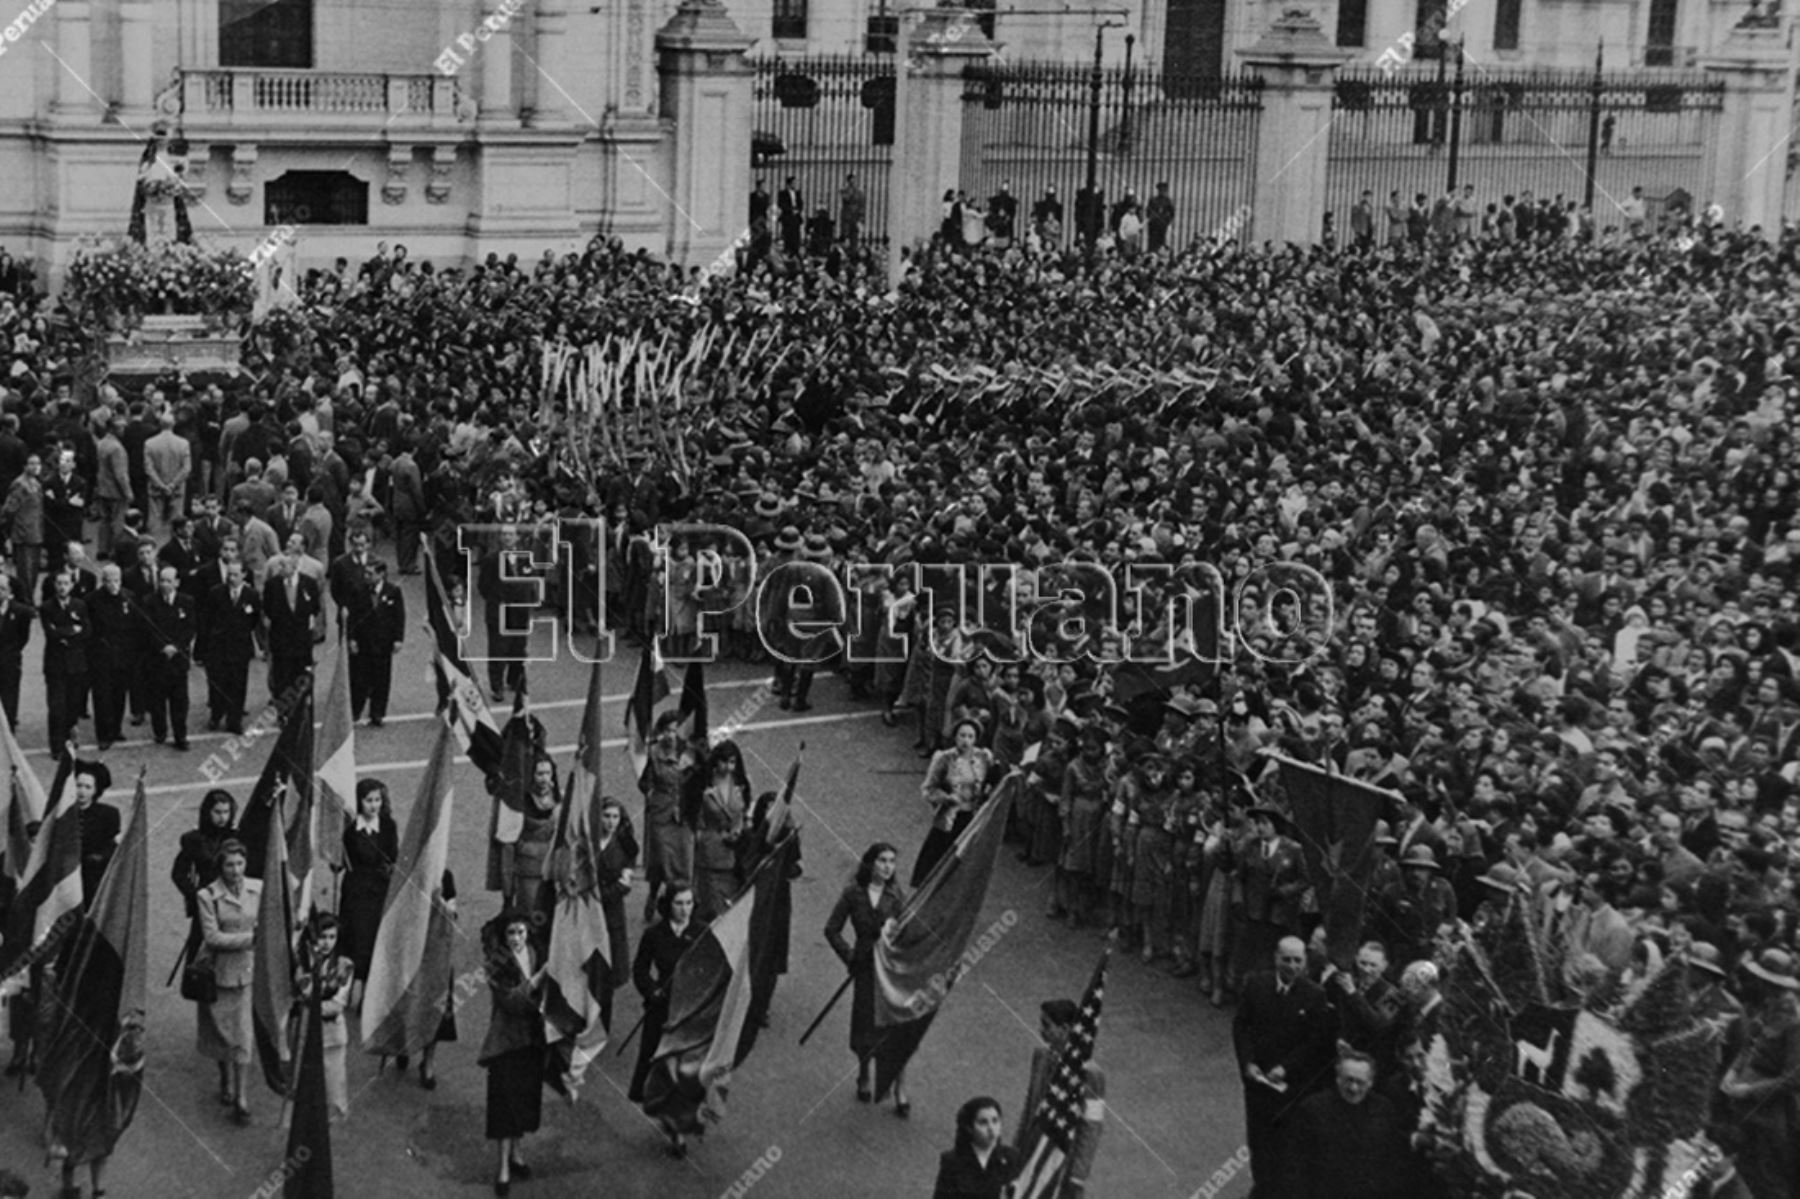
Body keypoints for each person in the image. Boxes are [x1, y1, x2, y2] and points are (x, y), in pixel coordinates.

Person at [1232, 936, 1335, 1199]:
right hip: (1257, 1082)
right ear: (1275, 958)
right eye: (1286, 959)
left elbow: (1316, 1043)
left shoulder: (1314, 995)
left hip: (1292, 1087)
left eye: (1297, 960)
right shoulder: (1256, 985)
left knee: (1286, 1143)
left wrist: (1286, 1068)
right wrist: (1248, 1062)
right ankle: (1261, 1186)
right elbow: (1241, 1026)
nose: (1291, 965)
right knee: (1258, 1139)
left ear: (1304, 962)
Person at [825, 842, 910, 1114]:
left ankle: (899, 1087)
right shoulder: (854, 894)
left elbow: (909, 933)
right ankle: (864, 1074)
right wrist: (849, 956)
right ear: (870, 863)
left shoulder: (897, 897)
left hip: (891, 971)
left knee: (895, 1026)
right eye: (882, 860)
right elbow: (832, 929)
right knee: (864, 1024)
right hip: (864, 968)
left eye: (891, 862)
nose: (887, 867)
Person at [1719, 948, 1800, 1199]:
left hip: (1769, 1112)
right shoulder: (1766, 1005)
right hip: (1742, 1101)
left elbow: (1793, 1078)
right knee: (1733, 1166)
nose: (1760, 984)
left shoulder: (1793, 1021)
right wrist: (1733, 1071)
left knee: (1765, 1179)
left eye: (1766, 980)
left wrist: (1750, 1091)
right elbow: (1749, 1045)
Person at [1277, 1049, 1410, 1199]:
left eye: (1360, 1082)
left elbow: (1392, 1161)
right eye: (1349, 1080)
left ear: (1371, 1083)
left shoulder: (1384, 1109)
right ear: (1338, 1078)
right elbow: (1295, 1166)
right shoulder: (1312, 1109)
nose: (1353, 1088)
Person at [479, 910, 547, 1197]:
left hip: (531, 1040)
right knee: (504, 1105)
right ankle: (502, 1167)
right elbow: (512, 1002)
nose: (517, 938)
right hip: (506, 1043)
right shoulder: (497, 965)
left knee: (524, 1098)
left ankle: (517, 1154)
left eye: (521, 932)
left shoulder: (534, 952)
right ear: (503, 936)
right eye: (511, 933)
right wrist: (542, 977)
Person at [196, 838, 260, 1125]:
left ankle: (242, 1096)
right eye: (229, 864)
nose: (235, 870)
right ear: (220, 866)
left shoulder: (257, 889)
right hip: (218, 973)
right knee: (222, 1034)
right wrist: (251, 939)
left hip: (247, 972)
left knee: (243, 1036)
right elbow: (213, 938)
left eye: (240, 863)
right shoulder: (207, 896)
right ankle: (225, 1080)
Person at [628, 883, 702, 1127]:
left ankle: (679, 1122)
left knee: (686, 1065)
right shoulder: (655, 934)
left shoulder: (702, 934)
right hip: (661, 1007)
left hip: (690, 1008)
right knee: (658, 1062)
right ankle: (664, 1110)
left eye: (689, 903)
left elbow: (712, 970)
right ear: (668, 905)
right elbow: (640, 969)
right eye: (679, 903)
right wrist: (651, 990)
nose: (684, 910)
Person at [1013, 998, 1104, 1196]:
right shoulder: (1040, 1056)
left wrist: (1077, 1176)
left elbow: (1091, 1128)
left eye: (1047, 1025)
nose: (1041, 1030)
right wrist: (1017, 1145)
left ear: (1065, 1029)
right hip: (1032, 1147)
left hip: (1061, 1156)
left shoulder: (1091, 1074)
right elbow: (1030, 1104)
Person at [914, 718, 995, 886]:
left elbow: (990, 781)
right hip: (948, 818)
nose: (966, 741)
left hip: (971, 817)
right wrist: (947, 798)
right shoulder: (944, 758)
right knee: (936, 856)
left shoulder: (983, 757)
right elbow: (928, 789)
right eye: (962, 735)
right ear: (955, 737)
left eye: (970, 736)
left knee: (964, 858)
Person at [341, 778, 398, 1014]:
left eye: (377, 800)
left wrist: (388, 869)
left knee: (376, 939)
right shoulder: (349, 828)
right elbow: (342, 860)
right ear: (359, 801)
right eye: (368, 800)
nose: (373, 805)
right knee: (357, 940)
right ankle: (350, 990)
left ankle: (371, 995)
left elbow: (392, 855)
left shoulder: (387, 826)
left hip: (379, 890)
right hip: (356, 890)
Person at [291, 913, 355, 1121]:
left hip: (331, 1033)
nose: (327, 943)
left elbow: (338, 1004)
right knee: (303, 1083)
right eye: (322, 936)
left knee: (332, 1085)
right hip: (306, 1031)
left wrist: (309, 1004)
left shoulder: (344, 965)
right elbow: (299, 989)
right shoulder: (304, 962)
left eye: (332, 937)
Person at [638, 710, 699, 921]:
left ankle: (680, 904)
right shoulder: (654, 753)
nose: (672, 735)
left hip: (683, 814)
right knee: (661, 862)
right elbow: (644, 783)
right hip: (661, 814)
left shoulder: (691, 753)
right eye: (667, 730)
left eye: (676, 730)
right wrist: (651, 791)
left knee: (684, 861)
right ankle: (655, 895)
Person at [197, 559, 261, 734]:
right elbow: (206, 620)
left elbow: (254, 620)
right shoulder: (216, 593)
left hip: (240, 647)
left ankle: (235, 719)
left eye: (235, 574)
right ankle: (216, 715)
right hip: (218, 647)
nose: (231, 578)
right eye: (229, 574)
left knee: (238, 685)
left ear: (243, 575)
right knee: (218, 683)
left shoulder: (251, 595)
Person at [692, 739, 750, 923]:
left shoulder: (740, 784)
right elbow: (696, 823)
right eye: (724, 761)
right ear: (716, 761)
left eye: (732, 762)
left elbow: (744, 813)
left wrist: (739, 831)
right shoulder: (704, 786)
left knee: (732, 907)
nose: (728, 767)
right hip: (711, 855)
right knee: (714, 909)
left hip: (736, 855)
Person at [140, 565, 195, 750]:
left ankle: (181, 735)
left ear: (177, 583)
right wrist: (162, 646)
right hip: (157, 658)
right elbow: (147, 628)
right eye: (161, 580)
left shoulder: (187, 601)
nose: (164, 584)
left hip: (178, 660)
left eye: (168, 581)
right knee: (157, 700)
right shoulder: (149, 601)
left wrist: (176, 647)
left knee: (180, 701)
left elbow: (190, 628)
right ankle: (160, 731)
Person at [349, 558, 404, 726]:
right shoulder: (358, 590)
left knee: (382, 679)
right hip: (364, 641)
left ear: (381, 574)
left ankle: (377, 712)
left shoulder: (393, 591)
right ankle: (355, 711)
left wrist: (398, 639)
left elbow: (399, 616)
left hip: (383, 642)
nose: (366, 576)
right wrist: (351, 638)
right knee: (359, 679)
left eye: (370, 573)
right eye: (365, 573)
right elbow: (352, 617)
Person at [260, 555, 322, 701]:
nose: (280, 569)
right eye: (279, 566)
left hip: (301, 640)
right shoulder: (272, 585)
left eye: (283, 566)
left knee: (301, 675)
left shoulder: (309, 583)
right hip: (280, 640)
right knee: (281, 675)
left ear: (294, 568)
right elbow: (268, 608)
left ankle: (301, 705)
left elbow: (315, 607)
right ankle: (282, 704)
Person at [39, 569, 89, 751]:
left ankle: (70, 737)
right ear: (54, 585)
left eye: (66, 583)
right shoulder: (46, 607)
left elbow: (86, 631)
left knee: (73, 705)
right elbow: (50, 633)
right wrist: (70, 631)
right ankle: (56, 745)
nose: (62, 587)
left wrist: (64, 632)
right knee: (56, 707)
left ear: (72, 585)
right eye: (59, 583)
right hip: (55, 664)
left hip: (76, 663)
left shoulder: (80, 605)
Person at [932, 1096, 1019, 1199]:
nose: (991, 1128)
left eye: (995, 1121)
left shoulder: (1012, 1158)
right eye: (983, 1123)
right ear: (969, 1128)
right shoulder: (953, 1163)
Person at [72, 759, 118, 905]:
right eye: (78, 786)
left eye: (87, 787)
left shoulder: (108, 814)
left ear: (95, 790)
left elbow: (112, 845)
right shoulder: (63, 813)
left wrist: (99, 858)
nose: (82, 791)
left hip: (93, 877)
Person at [1145, 181, 1175, 253]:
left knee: (1162, 241)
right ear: (1158, 190)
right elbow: (1148, 211)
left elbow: (1172, 213)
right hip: (1153, 225)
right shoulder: (1153, 200)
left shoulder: (1168, 201)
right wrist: (1152, 218)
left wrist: (1167, 220)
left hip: (1163, 225)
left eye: (1164, 190)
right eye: (1161, 190)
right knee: (1152, 241)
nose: (1162, 192)